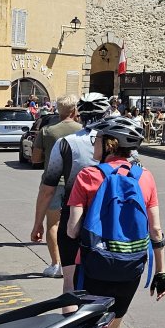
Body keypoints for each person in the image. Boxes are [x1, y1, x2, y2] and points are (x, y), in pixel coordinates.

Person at [66, 116, 165, 328]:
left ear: (109, 144)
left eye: (96, 139)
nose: (93, 143)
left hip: (94, 264)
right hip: (130, 266)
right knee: (113, 325)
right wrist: (161, 273)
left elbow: (72, 230)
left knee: (88, 325)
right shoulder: (145, 177)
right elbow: (156, 231)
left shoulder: (87, 175)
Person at [30, 92, 110, 297]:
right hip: (109, 216)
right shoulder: (119, 142)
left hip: (74, 213)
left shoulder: (66, 143)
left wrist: (38, 223)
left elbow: (48, 188)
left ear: (80, 114)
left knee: (70, 285)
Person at [32, 95, 82, 278]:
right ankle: (75, 262)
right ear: (74, 110)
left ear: (58, 110)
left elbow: (35, 158)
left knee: (53, 224)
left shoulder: (47, 131)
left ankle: (56, 264)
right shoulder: (83, 130)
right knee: (76, 222)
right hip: (77, 183)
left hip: (52, 183)